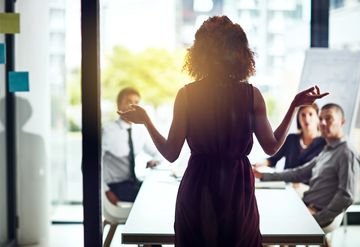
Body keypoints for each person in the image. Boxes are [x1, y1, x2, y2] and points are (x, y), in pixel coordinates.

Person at [119, 16, 328, 247]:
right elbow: (271, 146)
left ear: (200, 53)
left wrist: (147, 120)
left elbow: (171, 153)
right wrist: (294, 106)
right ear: (239, 52)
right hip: (237, 187)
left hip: (198, 185)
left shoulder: (187, 95)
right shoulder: (252, 95)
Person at [253, 103, 360, 228]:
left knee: (269, 224)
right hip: (307, 204)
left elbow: (347, 196)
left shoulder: (347, 153)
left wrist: (318, 218)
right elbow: (299, 172)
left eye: (329, 118)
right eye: (321, 119)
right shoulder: (328, 149)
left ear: (342, 122)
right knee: (266, 214)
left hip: (317, 212)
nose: (323, 123)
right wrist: (263, 175)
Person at [102, 87, 160, 205]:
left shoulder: (139, 131)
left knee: (159, 189)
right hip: (115, 186)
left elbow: (158, 152)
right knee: (152, 197)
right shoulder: (108, 131)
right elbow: (91, 164)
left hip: (133, 182)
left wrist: (155, 160)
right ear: (118, 105)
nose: (133, 106)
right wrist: (105, 191)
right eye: (128, 101)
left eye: (136, 102)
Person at [254, 103, 326, 170]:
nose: (306, 119)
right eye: (303, 115)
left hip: (310, 183)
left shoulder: (324, 142)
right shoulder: (291, 139)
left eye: (310, 114)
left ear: (318, 118)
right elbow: (273, 160)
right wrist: (259, 164)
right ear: (298, 119)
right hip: (287, 182)